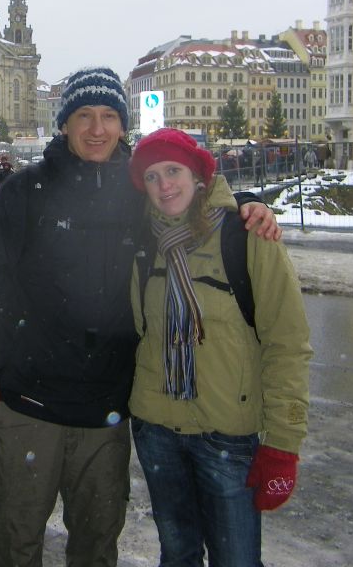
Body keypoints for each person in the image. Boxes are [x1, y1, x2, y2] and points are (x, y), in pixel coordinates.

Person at [0, 66, 279, 567]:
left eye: (108, 116)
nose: (97, 128)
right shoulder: (24, 192)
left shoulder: (139, 195)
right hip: (26, 404)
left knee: (97, 545)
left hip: (107, 412)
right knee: (15, 541)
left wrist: (249, 206)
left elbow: (196, 206)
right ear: (65, 123)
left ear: (124, 125)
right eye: (84, 115)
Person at [128, 128, 312, 567]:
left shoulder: (246, 235)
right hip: (157, 431)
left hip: (228, 436)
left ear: (199, 176)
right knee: (178, 556)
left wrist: (284, 444)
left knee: (237, 560)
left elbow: (287, 343)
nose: (164, 185)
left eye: (173, 171)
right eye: (151, 177)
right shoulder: (140, 243)